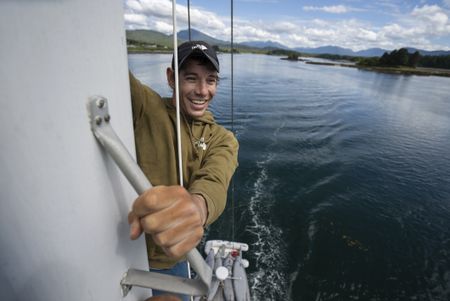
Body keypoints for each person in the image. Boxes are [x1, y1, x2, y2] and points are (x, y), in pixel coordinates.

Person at [127, 41, 239, 300]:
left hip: (172, 260)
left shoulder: (223, 139)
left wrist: (196, 208)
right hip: (122, 250)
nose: (202, 90)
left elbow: (215, 179)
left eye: (211, 80)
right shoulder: (146, 107)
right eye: (191, 78)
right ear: (170, 78)